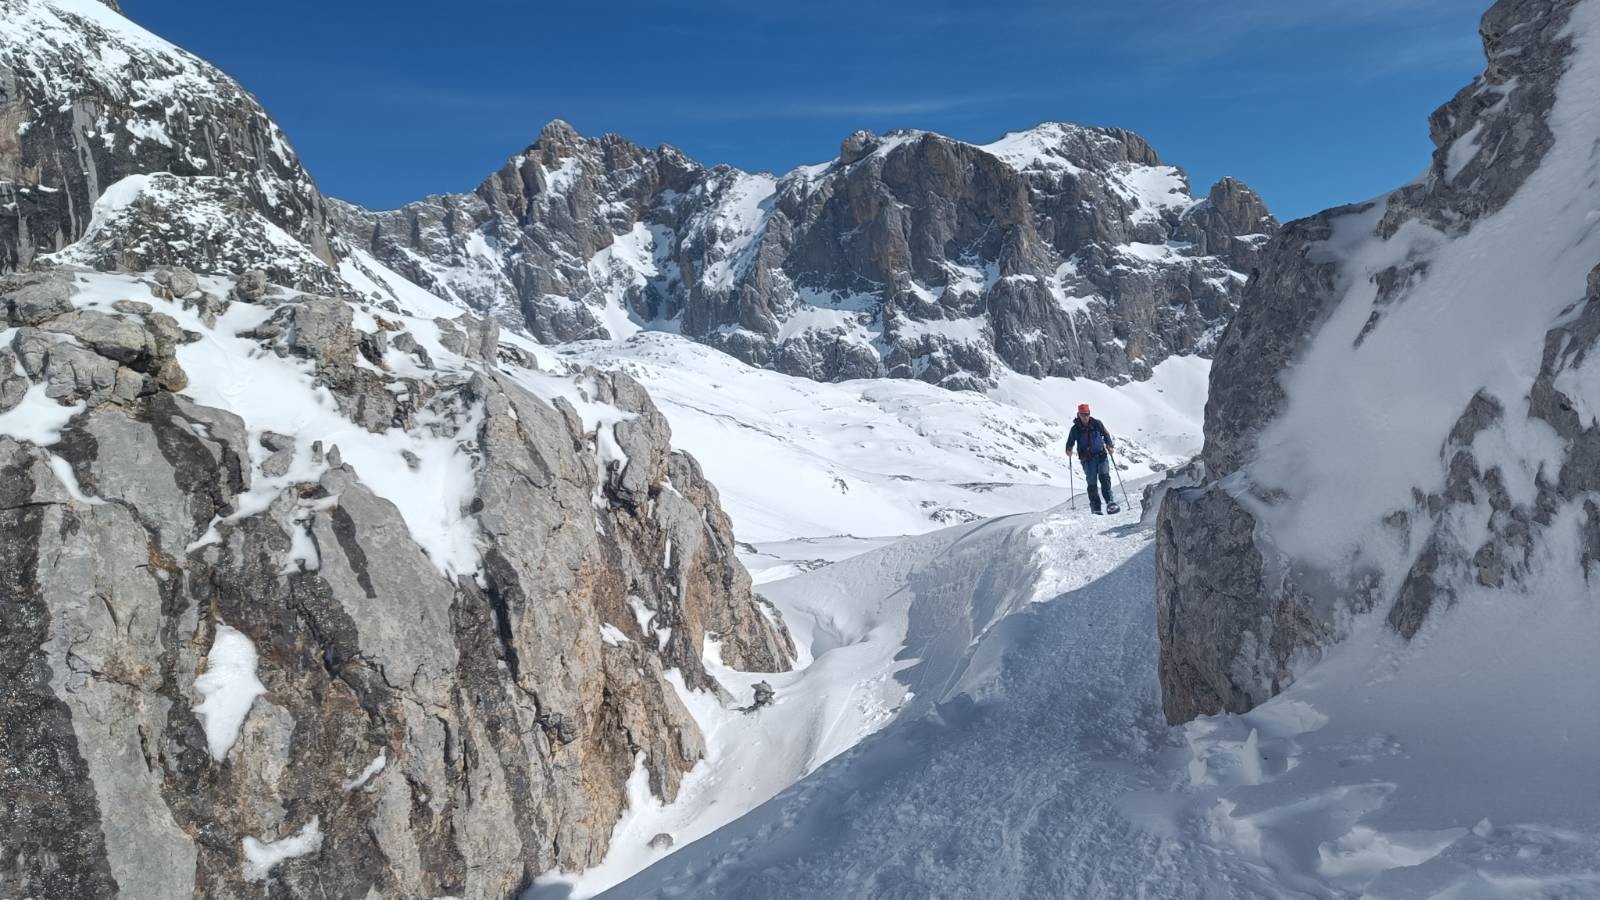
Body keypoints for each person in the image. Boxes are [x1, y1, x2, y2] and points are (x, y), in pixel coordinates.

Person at [1064, 403, 1118, 514]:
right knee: (1092, 483)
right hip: (1087, 459)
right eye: (1083, 414)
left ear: (1089, 413)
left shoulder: (1097, 424)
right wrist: (1068, 449)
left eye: (1087, 414)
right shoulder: (1075, 429)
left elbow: (1106, 434)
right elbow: (1070, 442)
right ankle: (1095, 507)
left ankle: (1110, 502)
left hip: (1101, 455)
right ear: (1078, 414)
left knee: (1105, 479)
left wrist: (1110, 446)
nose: (1085, 416)